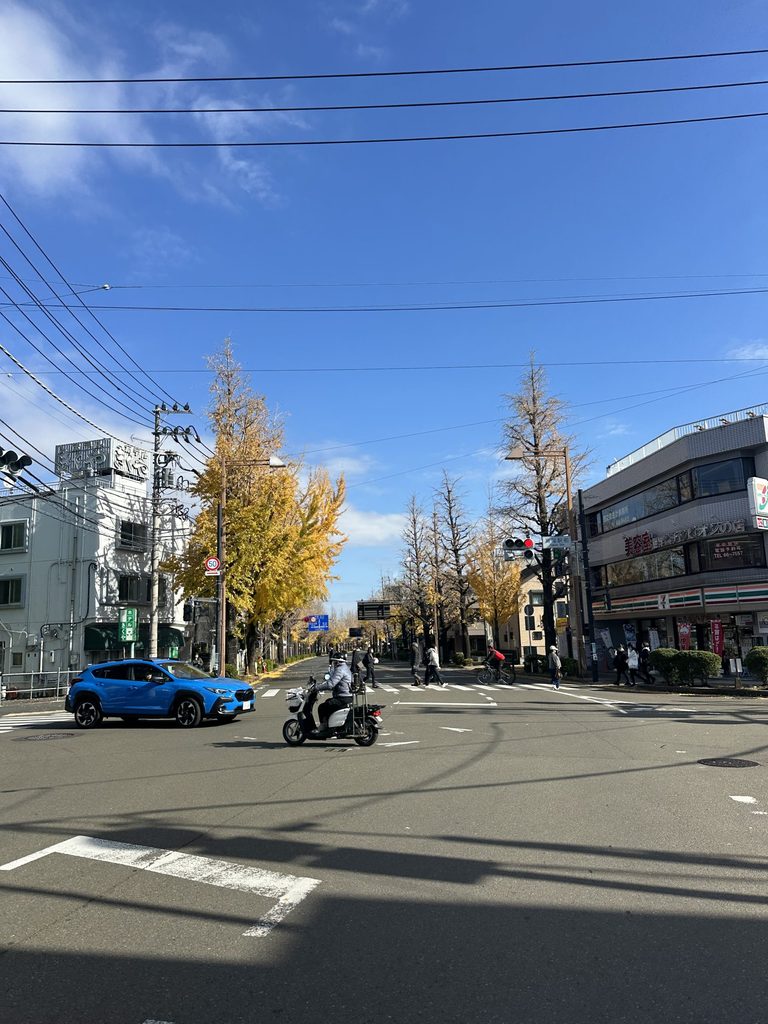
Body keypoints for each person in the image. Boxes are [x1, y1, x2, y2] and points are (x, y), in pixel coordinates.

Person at [316, 653, 353, 730]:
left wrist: (317, 688)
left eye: (334, 662)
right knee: (328, 702)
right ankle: (331, 726)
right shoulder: (345, 667)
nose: (333, 663)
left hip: (343, 697)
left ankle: (323, 726)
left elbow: (330, 684)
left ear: (338, 662)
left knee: (322, 707)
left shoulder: (340, 670)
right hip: (347, 696)